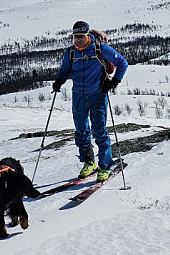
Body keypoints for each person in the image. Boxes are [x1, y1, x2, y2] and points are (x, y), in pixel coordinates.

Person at [52, 20, 128, 182]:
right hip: (78, 95)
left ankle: (105, 166)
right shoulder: (71, 52)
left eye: (81, 36)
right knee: (81, 131)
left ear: (88, 35)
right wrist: (59, 81)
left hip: (98, 95)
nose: (78, 39)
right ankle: (89, 162)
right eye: (75, 36)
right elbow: (65, 70)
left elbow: (122, 62)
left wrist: (114, 81)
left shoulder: (100, 49)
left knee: (100, 131)